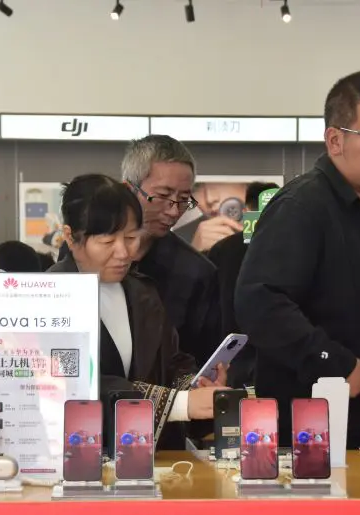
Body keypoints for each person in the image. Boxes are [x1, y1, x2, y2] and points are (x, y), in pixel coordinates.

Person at [235, 71, 360, 447]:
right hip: (318, 442)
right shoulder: (302, 207)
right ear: (335, 140)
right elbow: (259, 302)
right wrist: (332, 361)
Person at [48, 174, 226, 449]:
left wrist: (197, 384)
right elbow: (77, 383)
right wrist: (180, 403)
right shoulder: (49, 297)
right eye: (107, 242)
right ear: (71, 237)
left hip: (148, 453)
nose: (124, 252)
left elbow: (171, 361)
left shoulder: (142, 291)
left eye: (131, 238)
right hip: (82, 452)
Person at [122, 135, 222, 363]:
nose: (173, 211)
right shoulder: (84, 253)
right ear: (129, 190)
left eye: (184, 199)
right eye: (162, 196)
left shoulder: (197, 273)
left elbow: (200, 361)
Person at [206, 181, 279, 387]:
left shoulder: (222, 248)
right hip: (272, 354)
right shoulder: (285, 248)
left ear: (246, 210)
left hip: (230, 353)